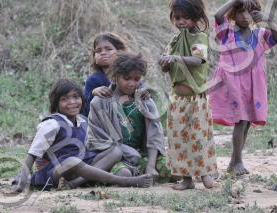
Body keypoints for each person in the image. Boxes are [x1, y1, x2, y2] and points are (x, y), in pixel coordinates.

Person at [13, 78, 152, 192]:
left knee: (115, 150)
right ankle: (124, 181)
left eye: (76, 97)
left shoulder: (84, 121)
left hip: (82, 166)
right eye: (65, 99)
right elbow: (33, 153)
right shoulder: (51, 124)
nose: (72, 102)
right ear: (56, 103)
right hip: (55, 171)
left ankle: (75, 183)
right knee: (72, 161)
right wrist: (21, 178)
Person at [209, 0, 277, 176]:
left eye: (249, 12)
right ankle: (238, 161)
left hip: (253, 86)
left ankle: (234, 162)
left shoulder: (260, 34)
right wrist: (236, 0)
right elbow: (217, 15)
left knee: (247, 122)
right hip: (233, 85)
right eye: (240, 11)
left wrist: (266, 19)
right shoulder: (227, 33)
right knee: (241, 121)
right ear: (233, 13)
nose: (245, 16)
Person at [158, 0, 218, 190]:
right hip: (178, 100)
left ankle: (205, 172)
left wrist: (175, 58)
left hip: (195, 99)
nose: (181, 22)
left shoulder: (199, 37)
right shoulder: (175, 40)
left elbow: (197, 60)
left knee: (198, 138)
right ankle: (186, 179)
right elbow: (166, 65)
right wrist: (165, 62)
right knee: (179, 140)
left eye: (185, 17)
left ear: (196, 17)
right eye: (177, 18)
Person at [86, 53, 170, 183]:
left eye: (136, 79)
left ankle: (143, 174)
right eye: (127, 78)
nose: (132, 83)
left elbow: (155, 135)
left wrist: (151, 166)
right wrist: (129, 153)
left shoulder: (145, 100)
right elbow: (98, 139)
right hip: (117, 159)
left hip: (143, 155)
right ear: (114, 77)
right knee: (123, 173)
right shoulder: (100, 102)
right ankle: (130, 177)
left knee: (172, 169)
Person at [83, 33, 127, 117]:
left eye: (108, 49)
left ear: (120, 52)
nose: (103, 53)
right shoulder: (93, 80)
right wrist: (93, 94)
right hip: (104, 125)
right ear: (94, 57)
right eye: (98, 51)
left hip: (131, 122)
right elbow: (85, 111)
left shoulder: (129, 76)